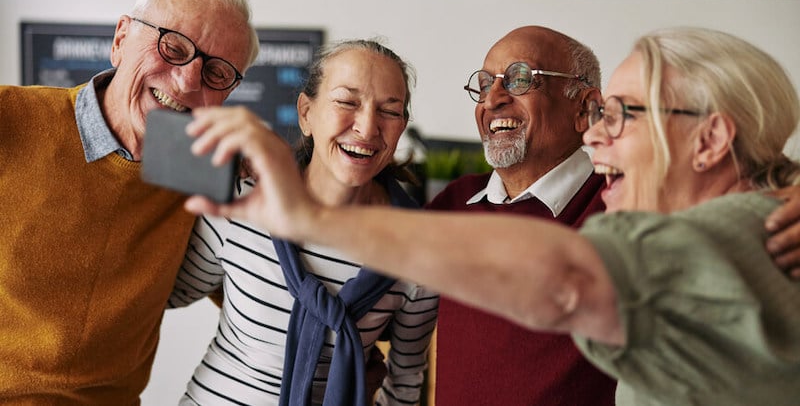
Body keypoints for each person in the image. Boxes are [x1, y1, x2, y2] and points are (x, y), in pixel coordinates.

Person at [183, 26, 800, 405]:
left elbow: (566, 281)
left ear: (712, 138)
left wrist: (304, 216)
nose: (600, 137)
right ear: (307, 110)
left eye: (621, 114)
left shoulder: (737, 230)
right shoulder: (453, 207)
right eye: (484, 82)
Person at [0, 0, 259, 403]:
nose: (187, 79)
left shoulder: (206, 173)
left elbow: (258, 288)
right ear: (121, 38)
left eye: (217, 72)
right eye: (173, 46)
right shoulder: (10, 119)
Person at [169, 39, 438, 406]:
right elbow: (163, 295)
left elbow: (405, 381)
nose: (367, 126)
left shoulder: (418, 252)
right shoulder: (240, 203)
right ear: (306, 113)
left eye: (389, 111)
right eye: (347, 102)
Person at [427, 25, 616, 405]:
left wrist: (774, 194)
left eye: (519, 79)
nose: (492, 99)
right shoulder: (454, 203)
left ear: (585, 108)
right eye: (484, 84)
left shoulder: (621, 203)